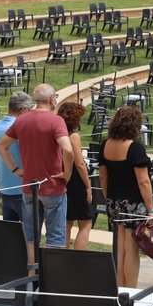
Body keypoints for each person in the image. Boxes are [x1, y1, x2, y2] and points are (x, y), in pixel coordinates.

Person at [0, 83, 74, 266]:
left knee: (31, 238)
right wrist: (67, 174)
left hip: (28, 187)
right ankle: (52, 280)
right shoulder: (56, 121)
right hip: (53, 187)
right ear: (51, 99)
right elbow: (68, 151)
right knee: (55, 239)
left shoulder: (22, 120)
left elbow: (1, 145)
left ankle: (32, 276)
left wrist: (15, 170)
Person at [98, 105, 153, 287]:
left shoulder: (105, 145)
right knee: (132, 250)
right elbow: (143, 181)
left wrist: (109, 198)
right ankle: (131, 289)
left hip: (114, 202)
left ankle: (120, 287)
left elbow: (102, 176)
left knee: (120, 248)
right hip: (134, 204)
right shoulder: (135, 148)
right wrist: (151, 209)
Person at [0, 92, 33, 223]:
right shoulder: (20, 127)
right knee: (30, 235)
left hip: (4, 187)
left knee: (11, 233)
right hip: (21, 187)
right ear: (23, 109)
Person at [57, 100, 92, 250]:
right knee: (85, 222)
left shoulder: (57, 133)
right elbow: (79, 163)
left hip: (63, 177)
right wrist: (88, 186)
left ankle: (64, 258)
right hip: (76, 180)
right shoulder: (73, 136)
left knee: (67, 222)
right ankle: (77, 259)